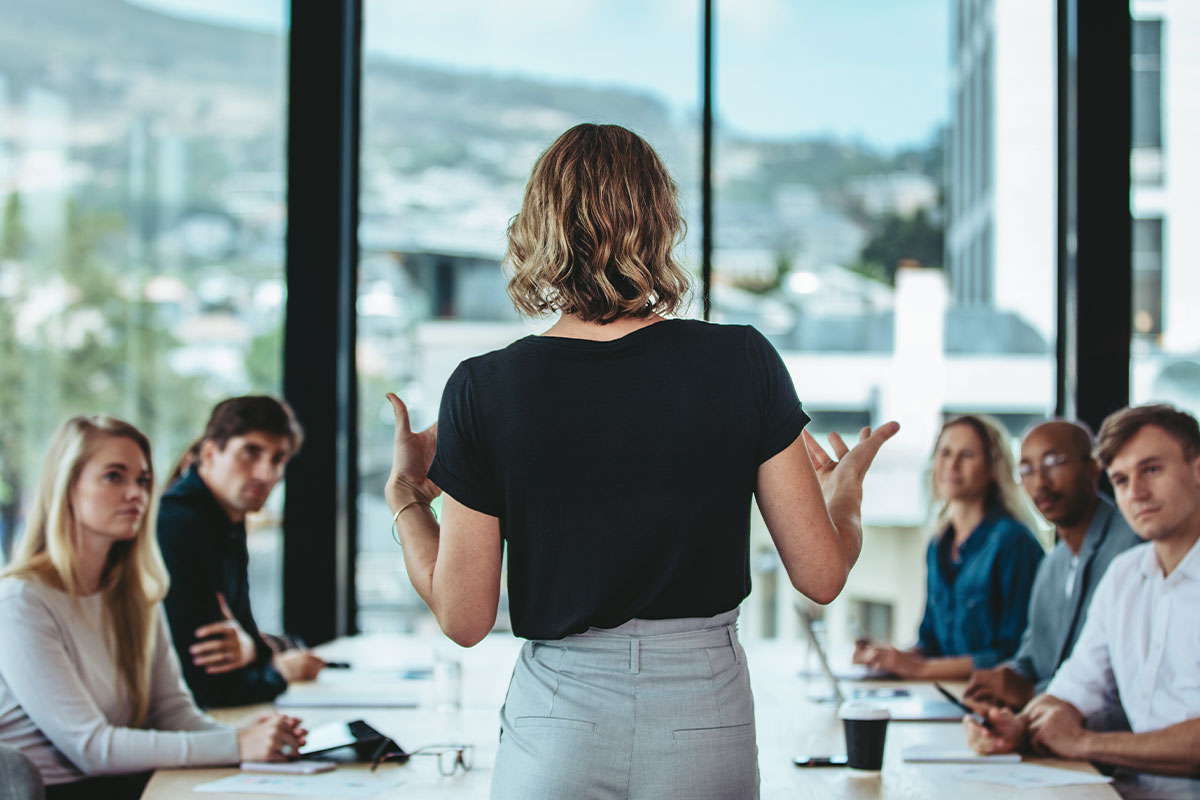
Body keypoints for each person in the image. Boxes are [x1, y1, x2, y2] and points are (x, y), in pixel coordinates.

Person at [383, 123, 898, 799]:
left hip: (557, 721)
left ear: (538, 228)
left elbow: (464, 616)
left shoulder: (483, 388)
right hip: (702, 711)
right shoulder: (742, 361)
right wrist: (845, 496)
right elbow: (822, 576)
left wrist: (406, 497)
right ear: (659, 223)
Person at [0, 416, 304, 800]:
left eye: (143, 481)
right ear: (67, 486)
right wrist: (239, 745)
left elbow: (174, 714)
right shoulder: (21, 601)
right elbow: (91, 747)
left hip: (126, 784)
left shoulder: (135, 594)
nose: (136, 494)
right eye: (114, 476)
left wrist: (251, 738)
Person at [966, 404, 1200, 796]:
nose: (1136, 493)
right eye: (1121, 480)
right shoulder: (1124, 575)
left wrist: (1085, 743)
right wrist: (1020, 727)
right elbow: (1075, 688)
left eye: (1152, 470)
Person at [158, 396, 325, 709]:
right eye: (251, 452)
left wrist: (254, 649)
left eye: (278, 459)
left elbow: (245, 635)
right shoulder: (181, 525)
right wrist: (280, 670)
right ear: (209, 453)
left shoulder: (226, 520)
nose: (266, 474)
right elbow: (209, 684)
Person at [965, 420, 1140, 713]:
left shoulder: (1131, 548)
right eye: (1027, 470)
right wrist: (1006, 679)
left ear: (1094, 466)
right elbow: (1030, 658)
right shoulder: (1052, 563)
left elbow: (1115, 680)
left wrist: (1031, 693)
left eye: (1053, 462)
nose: (1040, 482)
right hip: (1044, 725)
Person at [854, 414, 1044, 680]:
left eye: (966, 455)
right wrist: (889, 657)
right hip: (943, 695)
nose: (952, 465)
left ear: (992, 468)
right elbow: (929, 643)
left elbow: (1016, 655)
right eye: (945, 453)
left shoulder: (1014, 541)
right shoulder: (938, 545)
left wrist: (920, 669)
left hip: (991, 703)